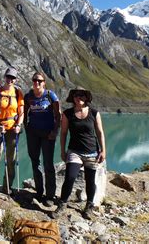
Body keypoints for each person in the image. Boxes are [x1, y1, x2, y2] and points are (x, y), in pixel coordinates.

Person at [51, 87, 106, 220]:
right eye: (76, 95)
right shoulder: (67, 114)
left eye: (82, 95)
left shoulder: (94, 113)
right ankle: (62, 204)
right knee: (70, 177)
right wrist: (63, 151)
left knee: (90, 180)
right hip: (74, 151)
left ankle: (89, 206)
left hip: (92, 152)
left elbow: (99, 132)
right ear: (73, 98)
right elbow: (63, 133)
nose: (79, 97)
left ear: (86, 97)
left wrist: (103, 150)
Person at [24, 72, 60, 207]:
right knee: (35, 162)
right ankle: (39, 191)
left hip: (48, 134)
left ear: (44, 82)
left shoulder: (50, 96)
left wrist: (55, 131)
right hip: (33, 133)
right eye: (34, 80)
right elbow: (25, 112)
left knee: (48, 164)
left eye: (39, 81)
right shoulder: (29, 96)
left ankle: (50, 195)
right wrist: (26, 128)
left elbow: (58, 115)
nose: (36, 83)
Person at [0, 67, 24, 195]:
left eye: (13, 78)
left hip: (13, 130)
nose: (10, 80)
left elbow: (21, 112)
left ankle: (7, 185)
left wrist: (19, 125)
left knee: (11, 159)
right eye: (8, 77)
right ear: (5, 77)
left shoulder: (18, 93)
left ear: (15, 79)